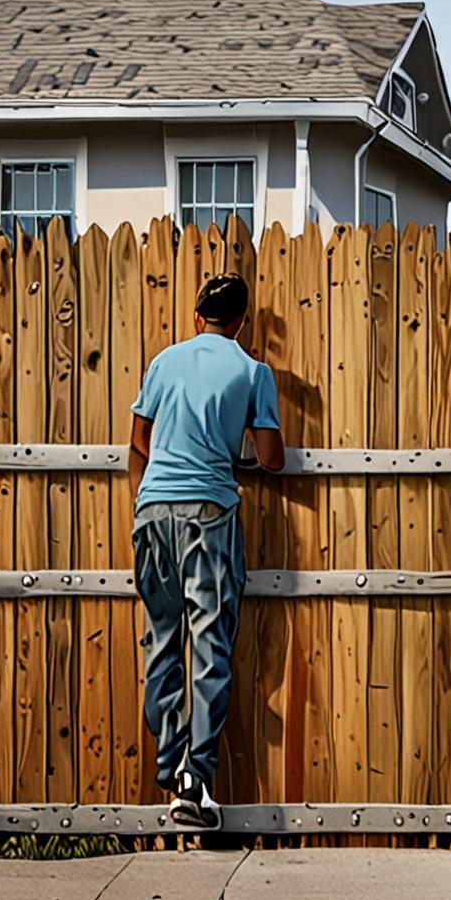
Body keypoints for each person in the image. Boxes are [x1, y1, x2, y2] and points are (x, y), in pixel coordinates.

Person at [129, 272, 285, 828]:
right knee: (210, 645)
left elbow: (140, 443)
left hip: (152, 515)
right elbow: (271, 458)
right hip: (208, 515)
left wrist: (147, 500)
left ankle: (172, 771)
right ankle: (196, 777)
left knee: (162, 644)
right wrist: (233, 449)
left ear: (198, 317)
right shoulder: (252, 370)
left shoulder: (162, 362)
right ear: (241, 322)